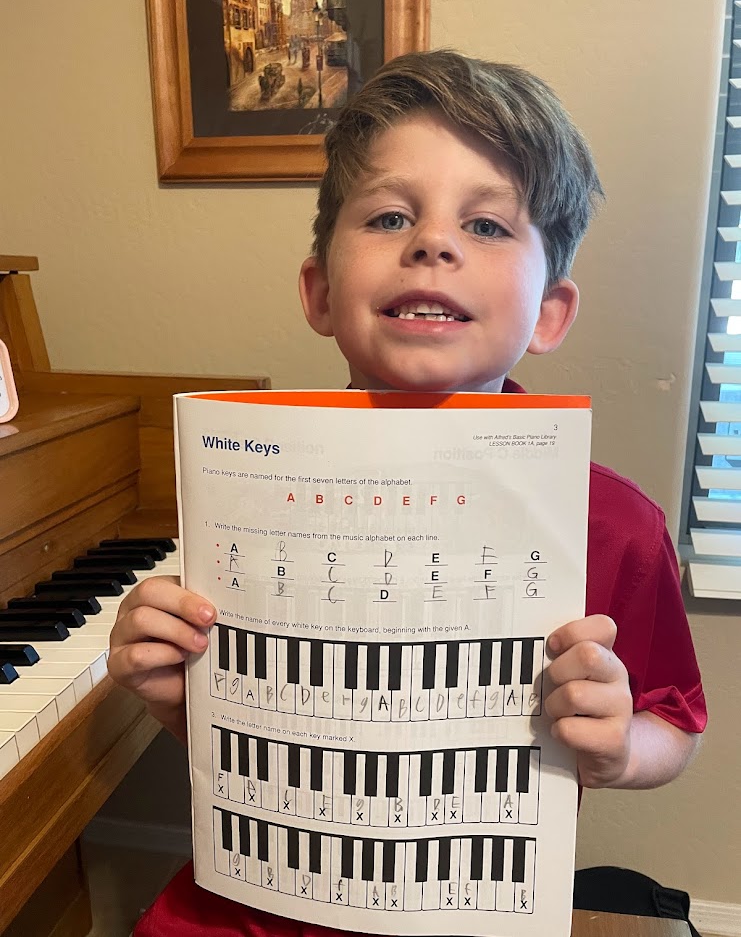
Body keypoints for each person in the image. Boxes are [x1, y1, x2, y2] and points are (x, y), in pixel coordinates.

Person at [108, 49, 707, 936]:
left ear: (549, 312)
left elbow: (676, 724)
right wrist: (173, 696)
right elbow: (261, 745)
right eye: (390, 215)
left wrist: (618, 748)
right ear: (320, 291)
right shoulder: (241, 491)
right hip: (245, 907)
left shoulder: (618, 524)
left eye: (487, 225)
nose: (432, 242)